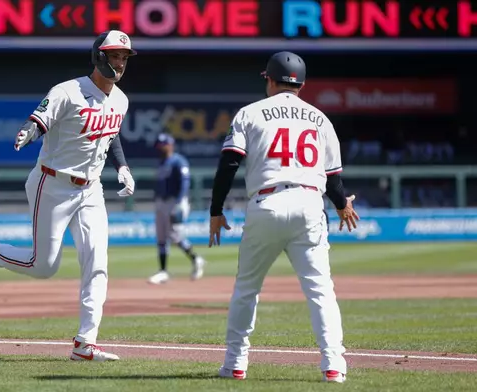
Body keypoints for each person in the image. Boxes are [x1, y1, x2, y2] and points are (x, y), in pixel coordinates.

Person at [0, 30, 138, 362]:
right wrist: (29, 131)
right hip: (52, 184)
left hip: (91, 189)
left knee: (97, 263)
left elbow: (110, 135)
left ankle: (85, 343)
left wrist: (123, 167)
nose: (120, 62)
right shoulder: (68, 91)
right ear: (99, 56)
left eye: (125, 57)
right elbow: (40, 119)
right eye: (115, 55)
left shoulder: (121, 99)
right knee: (43, 266)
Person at [208, 51, 359, 383]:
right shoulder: (320, 118)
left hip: (267, 203)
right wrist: (341, 204)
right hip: (309, 203)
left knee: (247, 288)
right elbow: (332, 178)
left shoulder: (250, 113)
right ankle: (333, 366)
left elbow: (229, 164)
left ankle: (235, 364)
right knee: (321, 291)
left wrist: (216, 210)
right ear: (301, 84)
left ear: (270, 80)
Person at [148, 133, 206, 284]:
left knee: (175, 236)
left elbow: (185, 183)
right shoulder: (161, 163)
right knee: (161, 236)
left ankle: (196, 259)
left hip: (175, 202)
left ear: (170, 145)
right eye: (159, 145)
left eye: (163, 145)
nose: (160, 148)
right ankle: (163, 271)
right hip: (161, 202)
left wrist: (179, 203)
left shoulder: (178, 161)